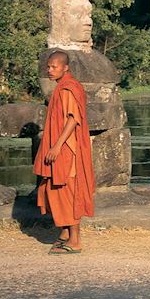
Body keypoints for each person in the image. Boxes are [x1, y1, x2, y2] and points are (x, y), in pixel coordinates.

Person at [33, 51, 95, 254]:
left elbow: (72, 119)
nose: (49, 70)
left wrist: (57, 145)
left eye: (54, 67)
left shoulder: (68, 88)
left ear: (65, 67)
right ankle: (66, 234)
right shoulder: (63, 86)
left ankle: (75, 241)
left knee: (68, 193)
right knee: (54, 190)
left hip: (67, 150)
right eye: (48, 67)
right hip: (62, 148)